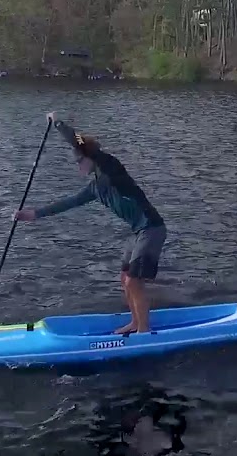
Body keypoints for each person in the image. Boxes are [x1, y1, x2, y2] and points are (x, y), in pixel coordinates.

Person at [14, 112, 167, 335]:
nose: (78, 167)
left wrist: (58, 124)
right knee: (125, 278)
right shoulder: (95, 188)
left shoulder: (111, 168)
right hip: (137, 231)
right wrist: (34, 214)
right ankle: (135, 322)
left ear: (90, 157)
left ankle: (143, 330)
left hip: (151, 228)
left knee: (134, 280)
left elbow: (81, 143)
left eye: (79, 161)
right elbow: (70, 202)